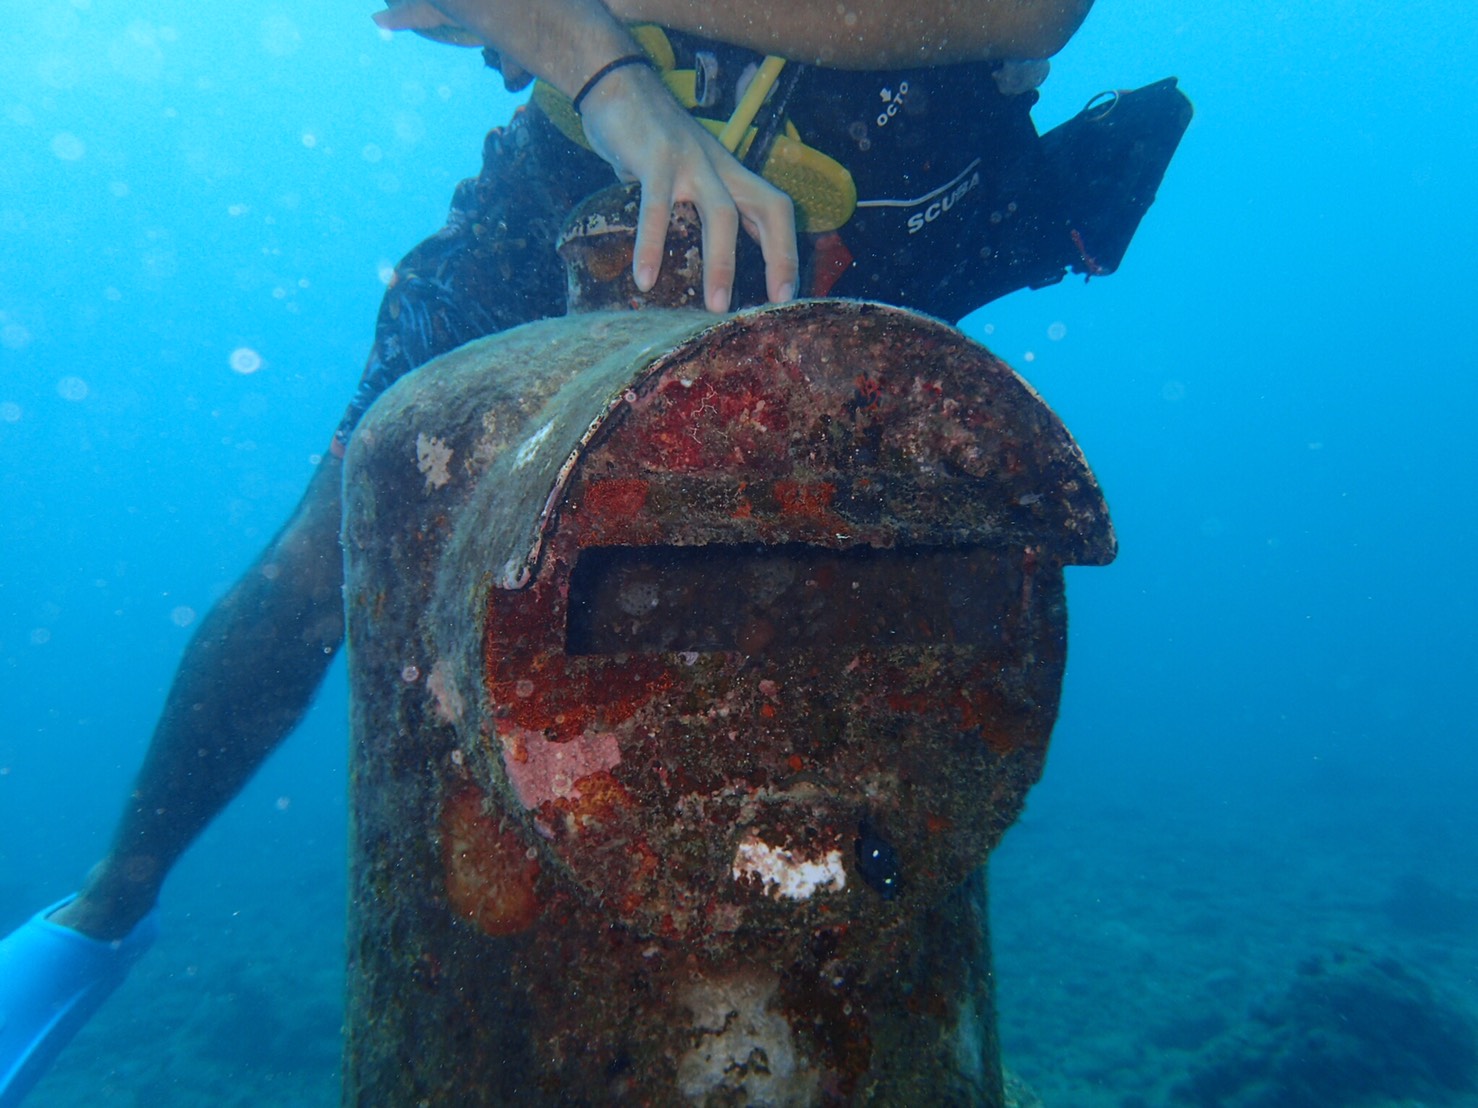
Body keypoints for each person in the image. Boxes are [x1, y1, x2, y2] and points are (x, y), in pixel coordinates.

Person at [0, 0, 1190, 1101]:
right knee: (330, 552)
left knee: (836, 569)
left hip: (877, 218)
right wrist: (624, 93)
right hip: (567, 192)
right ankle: (108, 908)